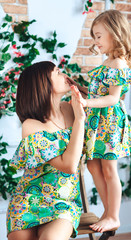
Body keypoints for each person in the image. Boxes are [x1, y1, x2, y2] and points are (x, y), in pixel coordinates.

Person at [76, 9, 131, 235]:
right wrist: (79, 89)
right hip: (98, 124)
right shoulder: (107, 62)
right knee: (93, 166)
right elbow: (99, 93)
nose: (96, 41)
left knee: (109, 170)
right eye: (94, 36)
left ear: (114, 33)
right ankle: (107, 212)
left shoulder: (118, 64)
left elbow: (113, 98)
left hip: (109, 123)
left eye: (99, 35)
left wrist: (86, 103)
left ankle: (113, 216)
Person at [6, 61, 85, 240]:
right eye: (57, 72)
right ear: (43, 84)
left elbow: (107, 99)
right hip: (28, 200)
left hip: (63, 203)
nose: (63, 74)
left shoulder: (70, 108)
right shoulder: (31, 125)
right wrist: (80, 120)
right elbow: (69, 165)